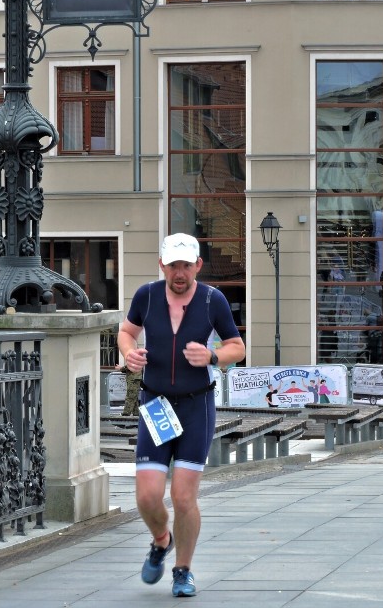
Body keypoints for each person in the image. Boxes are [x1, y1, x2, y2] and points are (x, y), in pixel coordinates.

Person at [117, 233, 245, 598]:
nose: (179, 272)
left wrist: (213, 357)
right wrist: (130, 353)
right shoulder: (147, 296)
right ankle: (161, 539)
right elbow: (126, 332)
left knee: (184, 498)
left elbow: (237, 345)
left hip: (195, 406)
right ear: (162, 264)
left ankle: (183, 570)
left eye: (186, 265)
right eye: (173, 265)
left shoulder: (211, 299)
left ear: (197, 266)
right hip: (156, 404)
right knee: (147, 497)